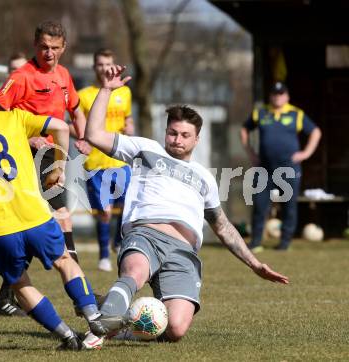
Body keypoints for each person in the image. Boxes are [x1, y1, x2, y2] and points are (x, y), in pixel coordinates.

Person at [86, 66, 289, 343]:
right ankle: (103, 322)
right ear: (165, 131)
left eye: (184, 135)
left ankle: (117, 320)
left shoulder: (205, 177)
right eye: (172, 133)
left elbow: (223, 226)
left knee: (176, 329)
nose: (177, 140)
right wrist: (107, 90)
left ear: (196, 138)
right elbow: (94, 133)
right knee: (134, 271)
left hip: (183, 252)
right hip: (144, 235)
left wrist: (254, 264)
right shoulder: (145, 149)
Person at [0, 73, 106, 350]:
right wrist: (59, 168)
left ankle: (67, 336)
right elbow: (61, 127)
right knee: (65, 261)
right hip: (36, 216)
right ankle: (94, 317)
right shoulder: (15, 118)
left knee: (20, 284)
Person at [0, 20, 90, 316]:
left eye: (55, 48)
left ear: (64, 48)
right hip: (27, 157)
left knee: (60, 218)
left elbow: (75, 107)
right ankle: (79, 293)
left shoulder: (63, 75)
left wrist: (83, 139)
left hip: (54, 156)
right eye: (44, 47)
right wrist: (25, 135)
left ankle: (5, 297)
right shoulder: (22, 76)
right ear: (35, 46)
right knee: (45, 221)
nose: (49, 53)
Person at [241, 81, 321, 252]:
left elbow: (315, 131)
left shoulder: (296, 114)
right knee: (260, 204)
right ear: (271, 96)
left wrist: (305, 153)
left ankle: (285, 243)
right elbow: (244, 129)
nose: (278, 97)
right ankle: (255, 242)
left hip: (288, 168)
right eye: (275, 94)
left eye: (281, 94)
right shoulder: (261, 113)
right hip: (265, 168)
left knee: (289, 206)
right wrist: (250, 153)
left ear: (287, 96)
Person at [78, 49, 133, 272]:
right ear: (94, 67)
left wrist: (131, 129)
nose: (105, 68)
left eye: (108, 63)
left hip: (120, 161)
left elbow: (127, 120)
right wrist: (82, 138)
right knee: (105, 212)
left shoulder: (125, 93)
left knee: (127, 207)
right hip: (96, 163)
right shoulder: (84, 95)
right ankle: (103, 256)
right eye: (100, 64)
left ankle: (118, 243)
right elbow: (77, 124)